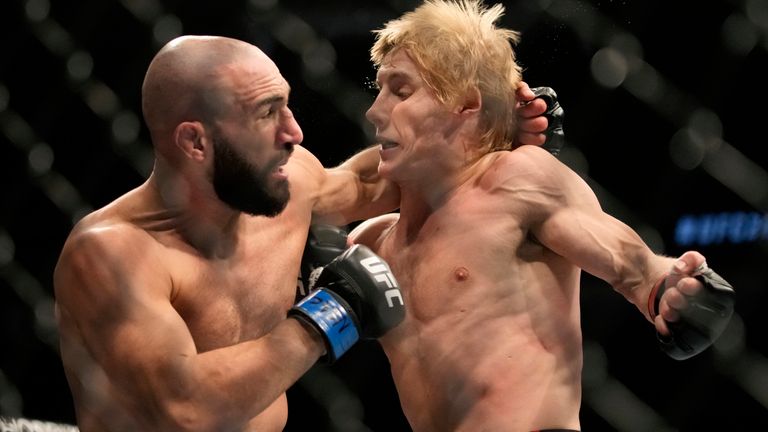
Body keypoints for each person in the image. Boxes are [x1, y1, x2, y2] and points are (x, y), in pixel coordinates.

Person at [52, 34, 554, 431]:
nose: (293, 132)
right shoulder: (111, 253)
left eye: (286, 105)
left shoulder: (290, 184)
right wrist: (326, 316)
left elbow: (367, 183)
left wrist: (477, 133)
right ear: (196, 142)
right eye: (266, 113)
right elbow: (185, 411)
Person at [346, 1, 736, 431]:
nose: (374, 111)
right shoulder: (371, 244)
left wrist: (670, 287)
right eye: (379, 89)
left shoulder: (515, 181)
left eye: (401, 91)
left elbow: (634, 269)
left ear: (465, 104)